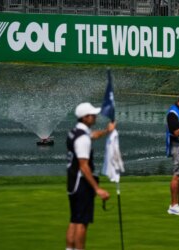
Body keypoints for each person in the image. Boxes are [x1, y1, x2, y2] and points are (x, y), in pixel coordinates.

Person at [66, 102, 115, 250]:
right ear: (85, 117)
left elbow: (92, 135)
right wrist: (97, 189)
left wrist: (107, 131)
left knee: (75, 219)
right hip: (82, 184)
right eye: (92, 115)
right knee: (82, 222)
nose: (95, 117)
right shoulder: (83, 138)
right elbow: (84, 165)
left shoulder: (75, 132)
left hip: (72, 181)